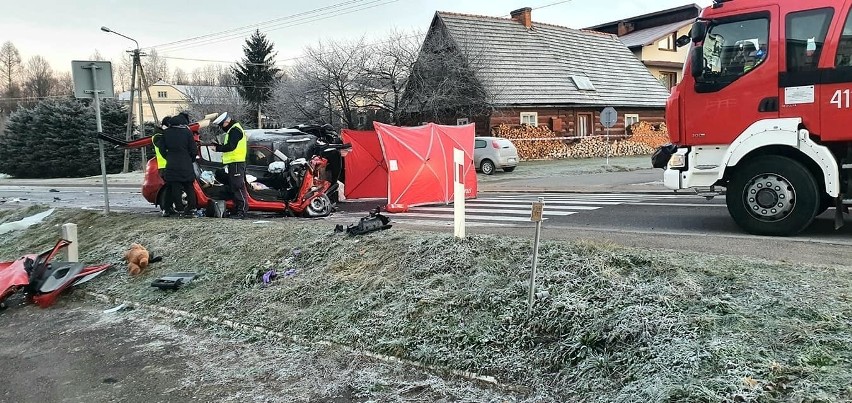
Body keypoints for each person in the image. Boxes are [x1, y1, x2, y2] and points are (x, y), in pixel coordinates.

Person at [161, 112, 198, 218]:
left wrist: (168, 157)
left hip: (172, 163)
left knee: (175, 187)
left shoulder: (166, 133)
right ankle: (191, 209)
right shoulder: (187, 132)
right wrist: (190, 159)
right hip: (186, 163)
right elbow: (193, 150)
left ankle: (180, 209)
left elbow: (162, 149)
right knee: (189, 186)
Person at [212, 112, 248, 219]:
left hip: (237, 162)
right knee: (234, 186)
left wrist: (218, 148)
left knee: (238, 187)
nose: (221, 127)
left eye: (221, 125)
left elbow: (231, 146)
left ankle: (241, 212)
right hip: (234, 163)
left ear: (226, 122)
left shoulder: (235, 130)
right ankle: (237, 210)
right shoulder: (233, 129)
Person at [152, 116, 179, 217]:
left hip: (168, 165)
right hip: (164, 166)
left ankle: (169, 208)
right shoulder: (158, 136)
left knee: (171, 187)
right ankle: (166, 208)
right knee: (169, 187)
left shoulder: (162, 134)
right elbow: (165, 148)